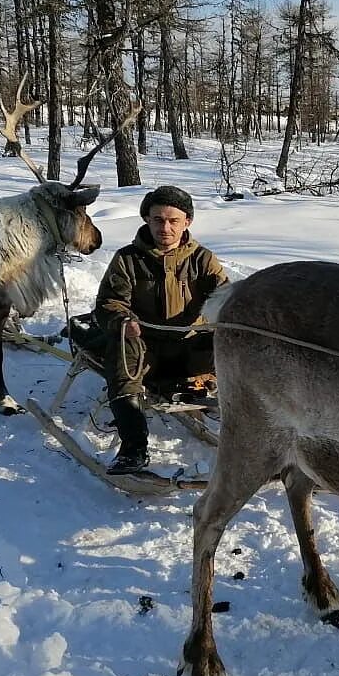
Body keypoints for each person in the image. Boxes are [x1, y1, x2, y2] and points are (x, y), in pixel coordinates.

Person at [94, 185, 228, 475]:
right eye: (157, 220)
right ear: (147, 220)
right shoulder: (127, 259)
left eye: (173, 220)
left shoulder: (203, 260)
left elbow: (226, 299)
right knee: (121, 348)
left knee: (235, 348)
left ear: (187, 222)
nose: (165, 227)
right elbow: (109, 303)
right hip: (145, 350)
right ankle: (133, 448)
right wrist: (122, 322)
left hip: (190, 351)